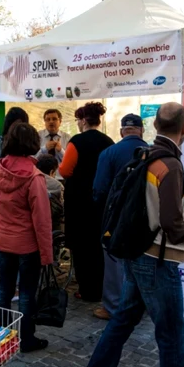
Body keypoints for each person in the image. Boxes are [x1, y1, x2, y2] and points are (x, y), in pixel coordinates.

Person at [81, 103, 184, 367]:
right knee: (171, 336)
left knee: (123, 320)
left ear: (155, 126)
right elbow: (171, 221)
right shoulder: (169, 164)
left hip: (136, 252)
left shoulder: (144, 156)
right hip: (158, 261)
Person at [0, 122, 53, 353]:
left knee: (4, 289)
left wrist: (0, 196)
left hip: (3, 241)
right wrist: (47, 255)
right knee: (27, 293)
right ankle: (26, 339)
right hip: (27, 246)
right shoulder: (34, 176)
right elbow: (42, 220)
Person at [91, 114, 147, 321]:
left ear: (122, 131)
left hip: (116, 218)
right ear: (141, 131)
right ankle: (141, 304)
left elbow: (99, 189)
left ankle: (114, 307)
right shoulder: (154, 153)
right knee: (142, 261)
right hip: (146, 219)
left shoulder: (109, 153)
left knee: (114, 261)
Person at [59, 102, 114, 302]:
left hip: (79, 202)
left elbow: (65, 171)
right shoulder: (109, 141)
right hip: (102, 201)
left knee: (81, 247)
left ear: (83, 120)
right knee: (99, 246)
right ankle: (101, 288)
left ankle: (86, 289)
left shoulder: (77, 141)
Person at [35, 155, 64, 232]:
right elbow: (62, 205)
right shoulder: (57, 185)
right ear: (51, 172)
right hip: (53, 223)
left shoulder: (31, 181)